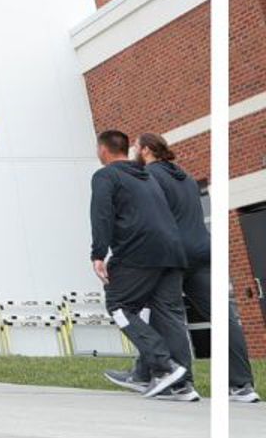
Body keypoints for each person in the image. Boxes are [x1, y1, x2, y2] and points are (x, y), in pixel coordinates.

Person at [117, 132, 256, 402]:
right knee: (223, 317)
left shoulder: (149, 177)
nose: (133, 151)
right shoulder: (187, 178)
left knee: (167, 315)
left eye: (135, 146)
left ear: (145, 150)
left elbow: (149, 220)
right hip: (204, 252)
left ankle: (180, 383)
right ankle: (242, 386)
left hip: (174, 255)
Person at [88, 129, 193, 400]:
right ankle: (181, 383)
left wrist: (98, 254)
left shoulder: (105, 175)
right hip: (172, 251)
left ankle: (164, 366)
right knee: (169, 316)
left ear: (103, 150)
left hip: (139, 252)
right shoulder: (147, 176)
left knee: (118, 305)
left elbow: (101, 215)